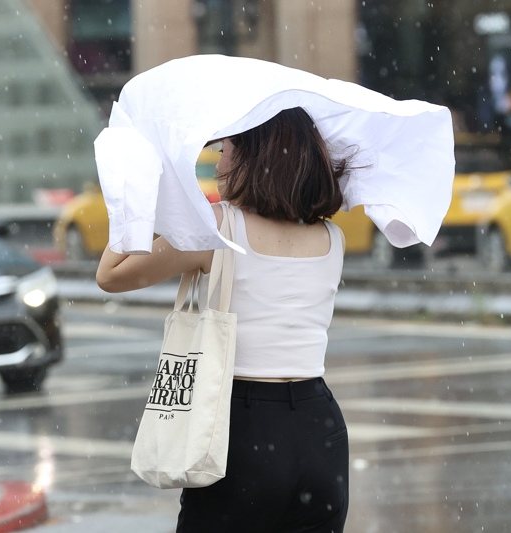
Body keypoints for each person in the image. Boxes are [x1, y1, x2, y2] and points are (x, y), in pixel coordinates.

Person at [96, 107, 349, 532]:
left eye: (226, 148)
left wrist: (143, 200)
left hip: (240, 428)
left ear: (254, 157)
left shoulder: (217, 229)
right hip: (319, 428)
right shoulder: (331, 238)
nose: (219, 161)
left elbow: (111, 274)